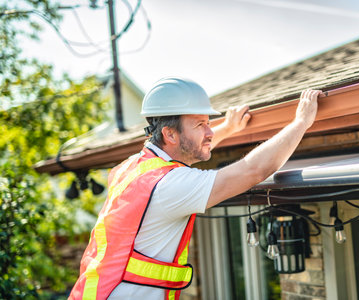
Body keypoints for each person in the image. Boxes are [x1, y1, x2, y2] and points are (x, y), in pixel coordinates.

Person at [69, 77, 320, 300]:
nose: (209, 131)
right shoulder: (169, 185)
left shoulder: (133, 167)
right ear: (170, 134)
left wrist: (229, 129)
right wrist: (300, 123)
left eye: (208, 123)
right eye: (200, 124)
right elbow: (253, 170)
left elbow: (188, 147)